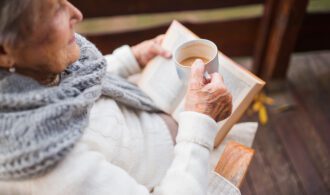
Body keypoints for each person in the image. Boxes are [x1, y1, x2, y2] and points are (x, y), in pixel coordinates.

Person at [0, 0, 239, 194]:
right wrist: (198, 127)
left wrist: (130, 59)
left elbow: (67, 85)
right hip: (185, 169)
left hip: (160, 130)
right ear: (4, 51)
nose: (77, 14)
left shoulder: (32, 73)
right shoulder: (49, 168)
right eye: (53, 12)